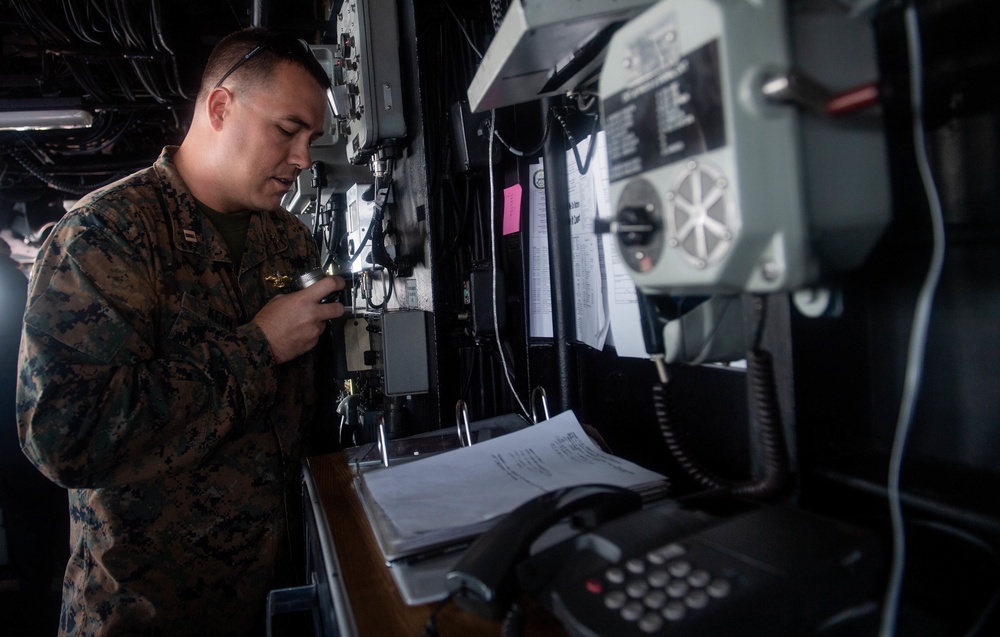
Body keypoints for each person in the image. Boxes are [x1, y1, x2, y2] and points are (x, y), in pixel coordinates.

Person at [16, 26, 345, 637]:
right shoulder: (105, 235)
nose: (303, 158)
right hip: (147, 615)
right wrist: (257, 348)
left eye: (313, 138)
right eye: (287, 130)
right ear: (221, 107)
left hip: (281, 597)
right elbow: (64, 436)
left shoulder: (289, 239)